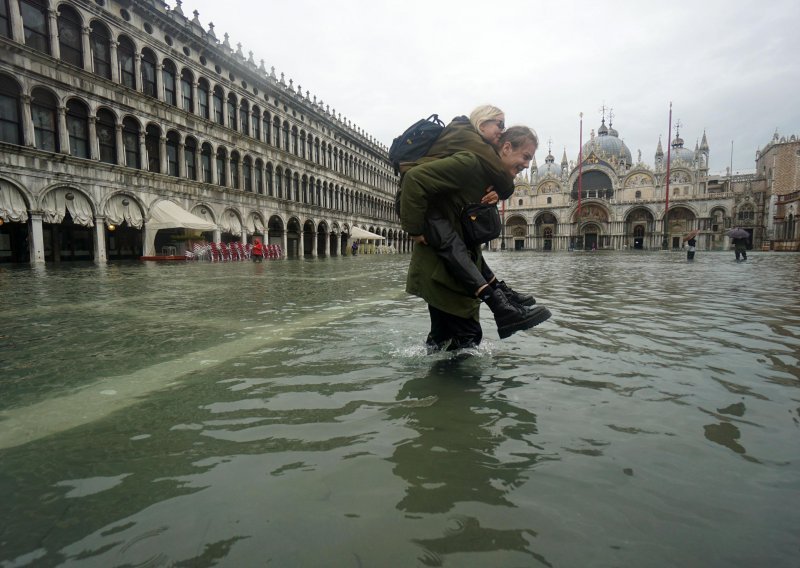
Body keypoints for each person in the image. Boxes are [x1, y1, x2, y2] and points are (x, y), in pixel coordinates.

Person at [401, 126, 551, 350]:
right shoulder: (471, 164)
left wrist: (500, 192)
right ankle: (454, 381)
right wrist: (414, 229)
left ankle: (502, 300)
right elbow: (414, 179)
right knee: (465, 339)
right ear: (507, 148)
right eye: (526, 156)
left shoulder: (489, 177)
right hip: (443, 269)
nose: (527, 164)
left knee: (444, 341)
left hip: (454, 266)